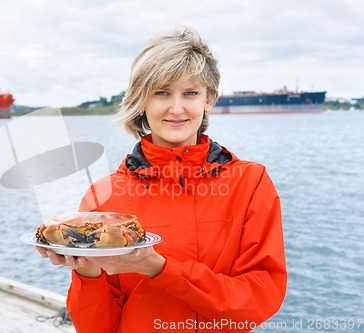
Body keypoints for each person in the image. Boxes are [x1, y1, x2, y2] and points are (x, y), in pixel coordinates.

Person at [36, 26, 287, 332]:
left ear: (209, 99)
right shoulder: (103, 197)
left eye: (191, 93)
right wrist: (88, 273)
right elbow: (96, 328)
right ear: (142, 101)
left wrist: (159, 268)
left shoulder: (250, 182)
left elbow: (258, 301)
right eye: (162, 93)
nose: (177, 108)